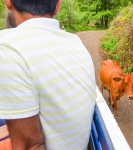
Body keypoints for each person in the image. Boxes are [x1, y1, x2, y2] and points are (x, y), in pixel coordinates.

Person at [0, 0, 97, 150]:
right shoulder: (76, 42)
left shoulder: (8, 47)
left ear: (8, 2)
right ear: (58, 5)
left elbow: (31, 146)